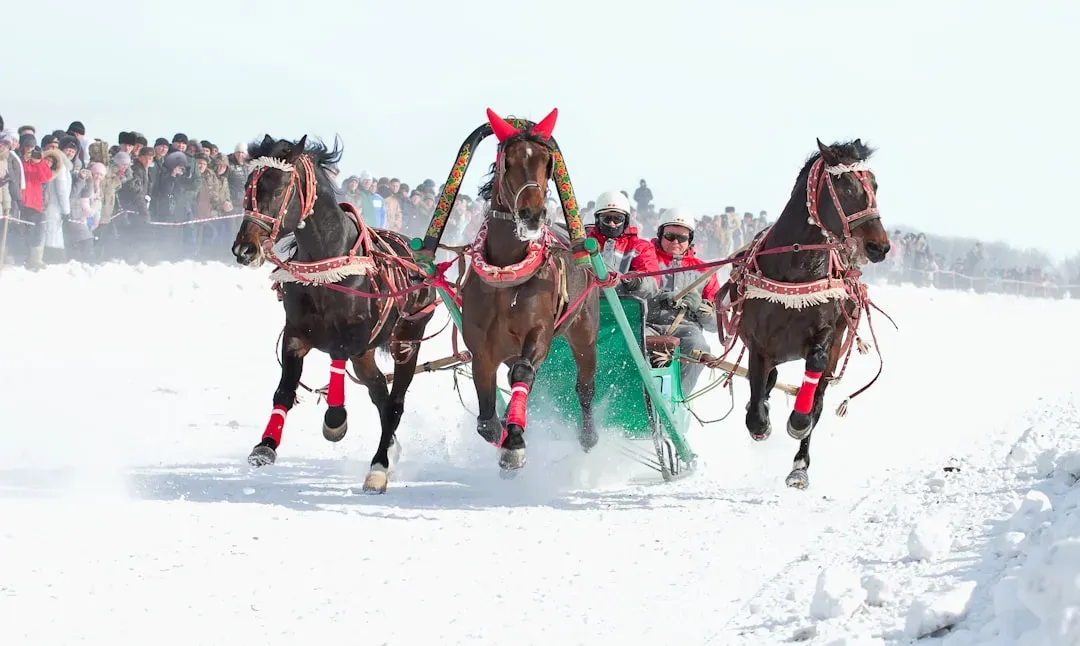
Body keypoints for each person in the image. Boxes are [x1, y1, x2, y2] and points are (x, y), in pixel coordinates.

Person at [645, 208, 721, 395]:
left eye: (682, 238)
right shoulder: (646, 260)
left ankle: (678, 397)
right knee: (630, 342)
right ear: (660, 235)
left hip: (687, 329)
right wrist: (657, 300)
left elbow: (716, 325)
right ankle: (636, 392)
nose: (675, 242)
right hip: (647, 323)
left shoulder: (704, 271)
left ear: (690, 240)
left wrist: (699, 307)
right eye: (670, 236)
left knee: (698, 346)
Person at [586, 190, 660, 298]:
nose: (612, 224)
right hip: (587, 303)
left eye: (617, 219)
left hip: (626, 305)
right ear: (597, 220)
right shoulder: (586, 244)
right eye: (606, 219)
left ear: (625, 221)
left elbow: (653, 285)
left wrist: (634, 281)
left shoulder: (640, 247)